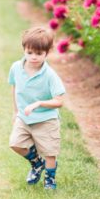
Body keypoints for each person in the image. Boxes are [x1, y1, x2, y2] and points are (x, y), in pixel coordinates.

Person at [8, 26, 66, 190]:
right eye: (30, 52)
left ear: (47, 53)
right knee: (15, 144)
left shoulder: (49, 75)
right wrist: (15, 111)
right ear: (24, 50)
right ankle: (36, 163)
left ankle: (50, 179)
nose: (34, 57)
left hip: (46, 119)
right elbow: (14, 87)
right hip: (24, 117)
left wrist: (40, 103)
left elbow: (59, 101)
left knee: (49, 152)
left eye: (39, 54)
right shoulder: (16, 68)